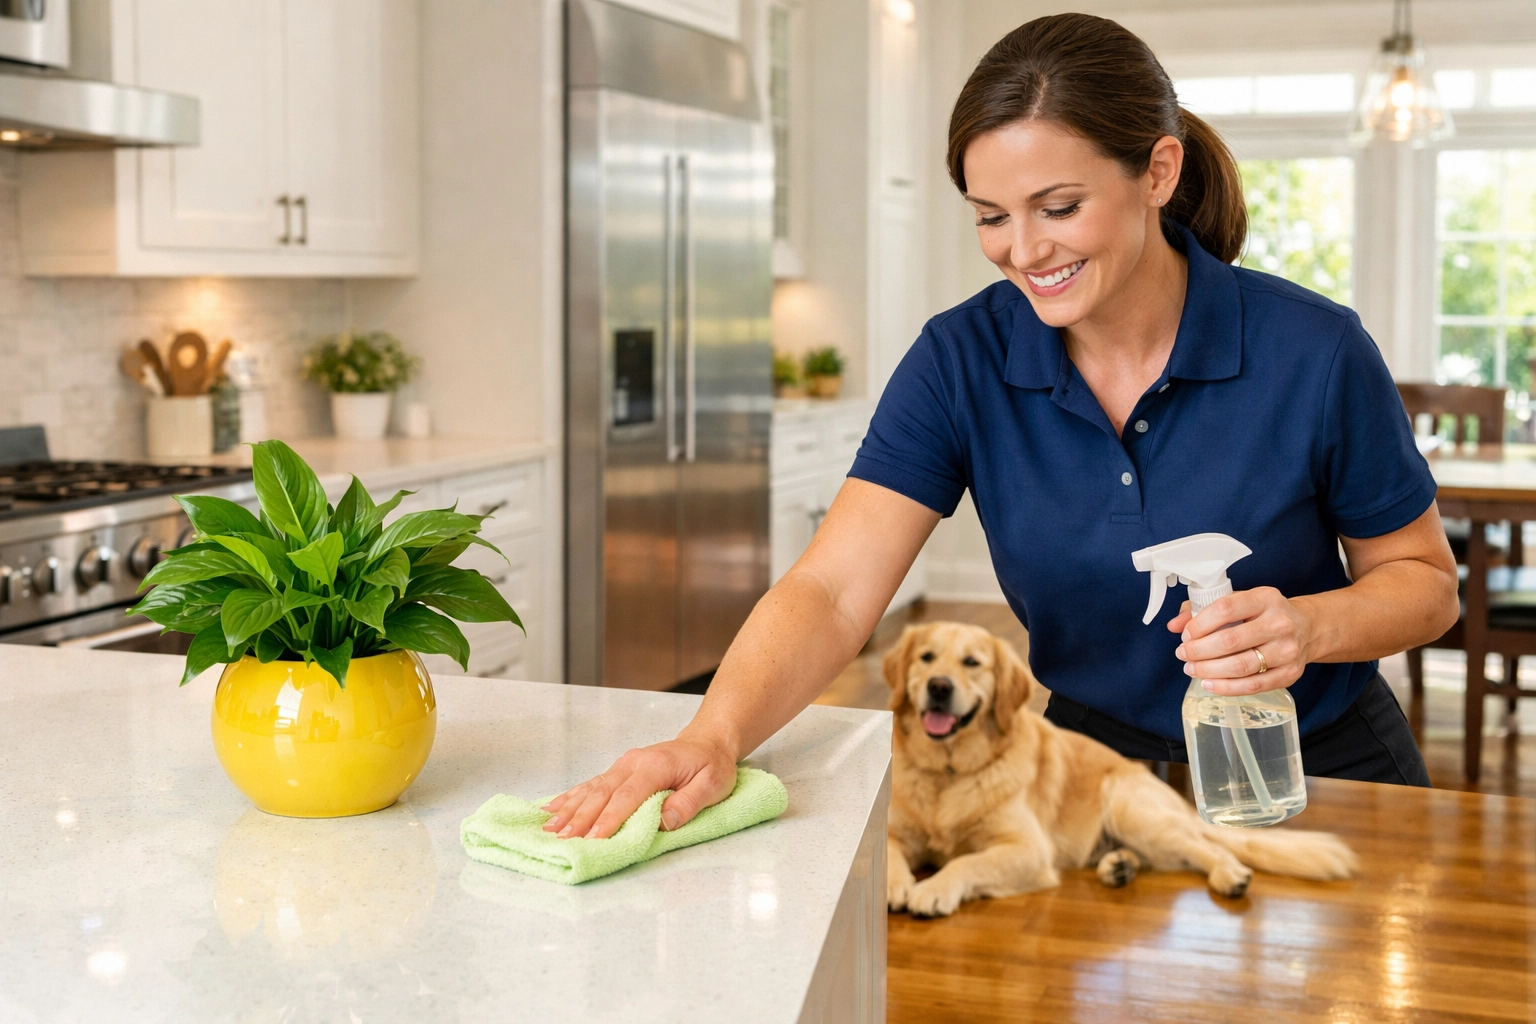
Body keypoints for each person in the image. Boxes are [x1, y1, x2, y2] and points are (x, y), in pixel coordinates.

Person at [541, 12, 1460, 841]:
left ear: (1158, 171)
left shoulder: (1314, 350)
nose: (1025, 250)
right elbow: (832, 591)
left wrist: (1307, 626)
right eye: (992, 216)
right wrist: (712, 734)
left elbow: (1425, 585)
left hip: (1322, 771)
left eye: (1059, 208)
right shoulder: (962, 360)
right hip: (1083, 778)